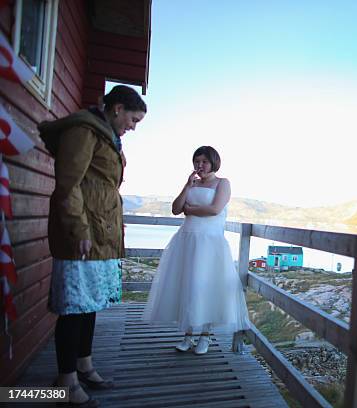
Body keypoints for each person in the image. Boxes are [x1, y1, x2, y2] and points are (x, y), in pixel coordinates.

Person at [39, 85, 147, 407]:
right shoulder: (83, 131)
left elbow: (101, 185)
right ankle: (66, 382)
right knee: (73, 308)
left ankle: (84, 366)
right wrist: (78, 227)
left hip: (99, 234)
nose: (133, 126)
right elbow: (69, 184)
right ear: (117, 109)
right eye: (133, 119)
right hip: (82, 236)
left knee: (90, 305)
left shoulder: (106, 135)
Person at [143, 146, 250, 355]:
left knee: (206, 287)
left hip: (210, 243)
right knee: (188, 286)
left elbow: (214, 209)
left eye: (204, 162)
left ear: (213, 163)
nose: (199, 165)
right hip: (187, 241)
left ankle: (205, 336)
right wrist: (186, 186)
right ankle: (189, 335)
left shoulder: (223, 183)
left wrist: (190, 210)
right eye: (196, 161)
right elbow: (176, 209)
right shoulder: (193, 184)